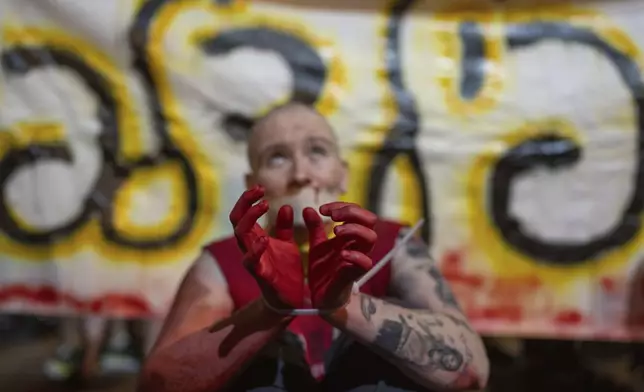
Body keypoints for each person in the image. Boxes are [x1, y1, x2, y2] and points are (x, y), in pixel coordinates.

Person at [137, 102, 489, 392]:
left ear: (343, 173)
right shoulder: (226, 260)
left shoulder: (392, 244)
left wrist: (345, 306)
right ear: (252, 183)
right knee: (266, 358)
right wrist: (269, 311)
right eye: (277, 158)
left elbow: (472, 371)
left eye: (316, 152)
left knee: (379, 346)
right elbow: (158, 384)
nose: (301, 173)